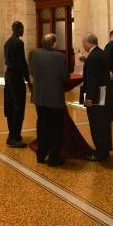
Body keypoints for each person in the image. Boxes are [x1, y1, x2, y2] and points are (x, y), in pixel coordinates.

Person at [29, 33, 69, 166]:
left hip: (39, 97)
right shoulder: (60, 57)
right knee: (56, 128)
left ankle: (41, 155)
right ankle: (53, 159)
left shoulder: (33, 54)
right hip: (55, 99)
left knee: (42, 126)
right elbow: (65, 78)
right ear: (54, 44)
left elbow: (32, 72)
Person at [82, 33, 111, 162]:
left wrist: (89, 99)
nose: (83, 45)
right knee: (103, 123)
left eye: (84, 43)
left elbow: (92, 80)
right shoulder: (101, 52)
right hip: (104, 92)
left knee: (96, 123)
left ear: (89, 42)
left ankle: (100, 153)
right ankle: (104, 149)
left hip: (97, 96)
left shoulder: (93, 56)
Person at [3, 21, 31, 148]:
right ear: (18, 29)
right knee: (18, 106)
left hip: (8, 76)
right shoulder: (19, 43)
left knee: (10, 105)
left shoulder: (7, 42)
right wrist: (28, 80)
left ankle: (13, 134)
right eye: (22, 28)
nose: (23, 31)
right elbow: (22, 63)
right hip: (16, 77)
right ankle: (14, 137)